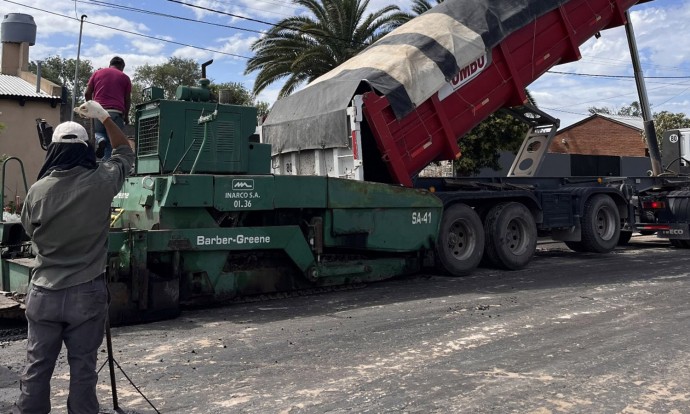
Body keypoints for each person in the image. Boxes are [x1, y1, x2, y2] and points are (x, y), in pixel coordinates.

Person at [13, 100, 135, 414]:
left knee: (36, 368)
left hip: (44, 293)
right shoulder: (103, 180)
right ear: (85, 149)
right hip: (87, 291)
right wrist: (105, 117)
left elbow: (30, 230)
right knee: (83, 370)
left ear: (52, 151)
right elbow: (124, 152)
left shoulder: (37, 191)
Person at [85, 56, 132, 161]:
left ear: (110, 64)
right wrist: (126, 116)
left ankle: (100, 139)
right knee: (113, 144)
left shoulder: (97, 73)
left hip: (99, 111)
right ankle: (108, 168)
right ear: (122, 67)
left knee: (98, 133)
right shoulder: (125, 77)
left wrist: (90, 108)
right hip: (116, 112)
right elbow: (127, 99)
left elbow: (87, 93)